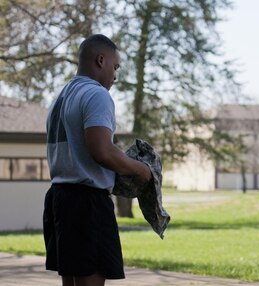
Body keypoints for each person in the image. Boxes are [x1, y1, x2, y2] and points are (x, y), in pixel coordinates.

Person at [44, 34, 152, 286]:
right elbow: (102, 151)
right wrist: (141, 170)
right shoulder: (96, 94)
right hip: (86, 204)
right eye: (114, 67)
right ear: (100, 60)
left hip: (60, 199)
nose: (115, 76)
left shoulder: (60, 98)